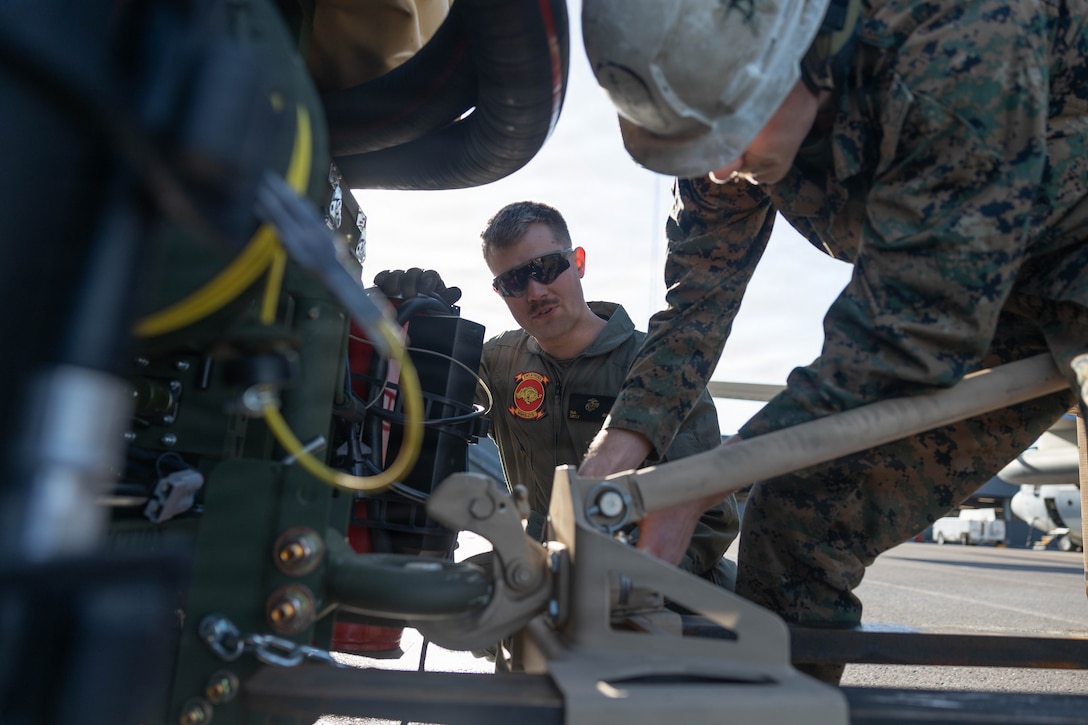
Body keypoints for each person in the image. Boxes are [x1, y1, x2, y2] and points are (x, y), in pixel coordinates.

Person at [579, 0, 1088, 684]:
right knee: (801, 512)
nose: (721, 169)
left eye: (730, 136)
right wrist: (618, 452)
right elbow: (698, 294)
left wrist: (702, 483)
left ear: (794, 48)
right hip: (987, 289)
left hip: (1031, 259)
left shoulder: (956, 30)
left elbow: (915, 322)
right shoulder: (721, 108)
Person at [374, 200, 740, 588]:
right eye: (514, 281)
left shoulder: (656, 367)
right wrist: (406, 322)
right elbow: (411, 399)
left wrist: (624, 584)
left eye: (546, 268)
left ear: (578, 262)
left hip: (660, 608)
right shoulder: (497, 365)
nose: (535, 291)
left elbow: (710, 518)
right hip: (540, 599)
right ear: (499, 291)